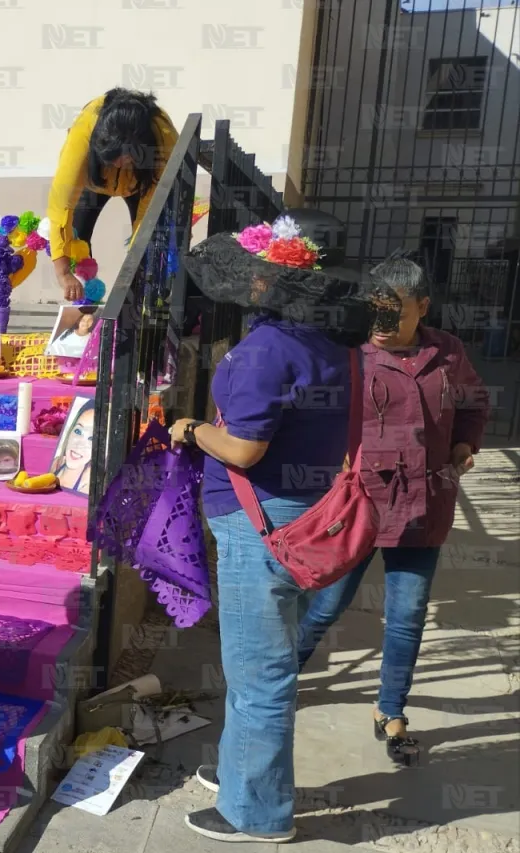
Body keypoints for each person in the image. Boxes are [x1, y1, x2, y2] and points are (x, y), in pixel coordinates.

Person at [166, 210, 379, 843]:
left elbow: (244, 451)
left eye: (256, 277)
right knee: (262, 663)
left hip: (259, 526)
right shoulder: (333, 346)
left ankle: (255, 813)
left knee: (260, 673)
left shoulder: (264, 352)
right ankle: (242, 773)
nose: (248, 285)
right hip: (301, 517)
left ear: (269, 285)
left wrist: (193, 430)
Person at [297, 258, 490, 766]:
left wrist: (465, 444)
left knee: (406, 616)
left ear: (422, 307)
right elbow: (311, 408)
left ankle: (392, 711)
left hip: (423, 506)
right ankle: (279, 678)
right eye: (375, 310)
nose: (381, 322)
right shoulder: (349, 350)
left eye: (393, 312)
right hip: (358, 504)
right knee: (326, 605)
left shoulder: (447, 351)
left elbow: (473, 402)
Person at [46, 88, 178, 302]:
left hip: (142, 183)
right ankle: (85, 306)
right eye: (110, 159)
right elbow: (60, 206)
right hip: (93, 183)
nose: (116, 164)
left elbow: (148, 217)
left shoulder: (164, 139)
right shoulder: (84, 131)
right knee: (78, 237)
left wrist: (136, 271)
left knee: (150, 246)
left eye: (122, 160)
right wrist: (63, 272)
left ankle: (142, 303)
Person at [52, 399, 96, 493]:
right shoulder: (56, 463)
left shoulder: (89, 482)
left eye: (91, 438)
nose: (79, 444)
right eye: (78, 431)